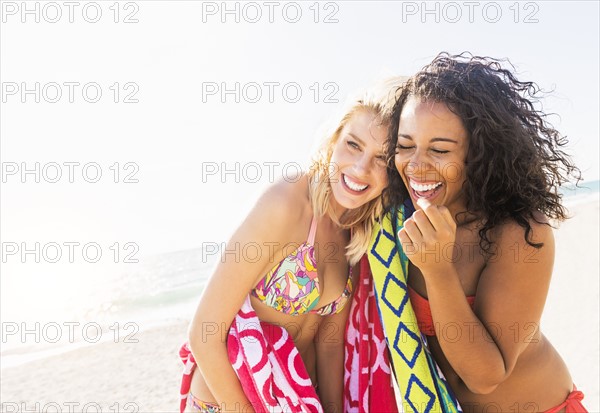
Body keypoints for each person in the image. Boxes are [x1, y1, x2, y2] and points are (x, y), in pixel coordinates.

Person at [378, 53, 587, 412]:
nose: (415, 165)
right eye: (405, 145)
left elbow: (486, 377)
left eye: (440, 149)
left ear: (480, 152)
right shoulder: (394, 223)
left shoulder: (518, 232)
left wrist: (437, 269)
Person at [180, 81, 399, 413]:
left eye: (381, 159)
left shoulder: (358, 231)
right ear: (333, 141)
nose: (360, 168)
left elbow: (329, 345)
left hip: (292, 400)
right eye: (353, 145)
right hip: (227, 402)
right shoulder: (286, 205)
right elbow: (203, 334)